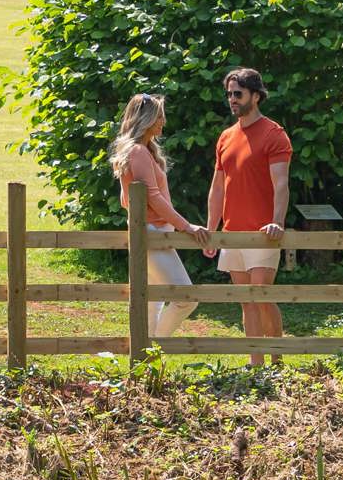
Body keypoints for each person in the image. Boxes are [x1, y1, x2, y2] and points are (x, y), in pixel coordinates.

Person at [204, 68, 292, 366]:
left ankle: (277, 363)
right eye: (229, 94)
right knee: (246, 301)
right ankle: (256, 366)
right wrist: (211, 229)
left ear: (256, 95)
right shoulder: (226, 136)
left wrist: (277, 221)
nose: (232, 99)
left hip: (263, 233)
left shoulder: (273, 133)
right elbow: (217, 187)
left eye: (238, 94)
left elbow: (281, 184)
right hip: (232, 232)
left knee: (262, 296)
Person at [110, 93, 211, 338]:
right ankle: (155, 348)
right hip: (151, 234)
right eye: (159, 116)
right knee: (187, 298)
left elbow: (129, 200)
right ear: (145, 119)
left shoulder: (143, 151)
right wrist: (187, 226)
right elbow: (152, 197)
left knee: (151, 302)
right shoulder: (139, 152)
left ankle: (145, 361)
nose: (163, 121)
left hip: (153, 232)